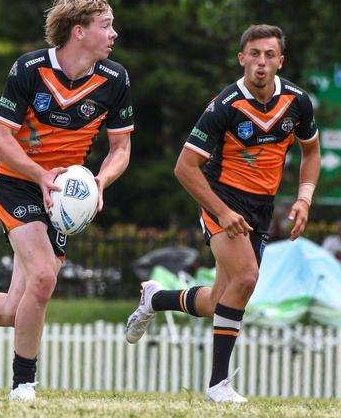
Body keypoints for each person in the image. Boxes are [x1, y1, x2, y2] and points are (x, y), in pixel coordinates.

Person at [0, 0, 133, 402]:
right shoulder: (30, 69)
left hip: (64, 193)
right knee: (44, 277)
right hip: (17, 181)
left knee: (15, 307)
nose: (114, 34)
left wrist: (99, 183)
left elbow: (121, 149)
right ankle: (23, 385)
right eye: (105, 26)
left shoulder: (115, 79)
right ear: (79, 32)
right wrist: (39, 175)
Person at [125, 24, 321, 403]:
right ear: (241, 58)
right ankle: (218, 385)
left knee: (220, 300)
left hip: (261, 207)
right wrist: (222, 211)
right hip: (222, 198)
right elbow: (185, 167)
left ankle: (155, 298)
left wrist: (304, 199)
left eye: (269, 55)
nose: (261, 62)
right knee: (246, 278)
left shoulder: (297, 102)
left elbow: (311, 152)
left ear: (281, 61)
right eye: (254, 54)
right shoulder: (226, 105)